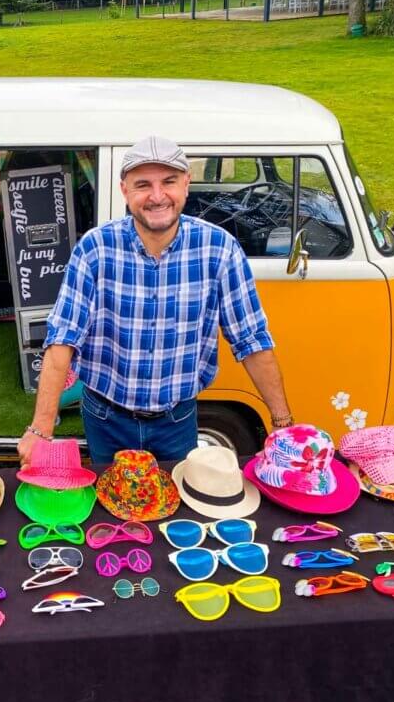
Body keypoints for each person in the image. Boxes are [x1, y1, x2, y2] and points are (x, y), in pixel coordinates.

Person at [18, 135, 292, 467]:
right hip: (106, 417)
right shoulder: (95, 249)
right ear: (125, 191)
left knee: (176, 508)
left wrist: (282, 424)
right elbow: (63, 338)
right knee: (111, 508)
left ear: (186, 184)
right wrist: (41, 429)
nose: (157, 196)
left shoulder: (219, 249)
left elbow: (251, 340)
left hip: (177, 419)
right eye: (143, 184)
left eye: (169, 182)